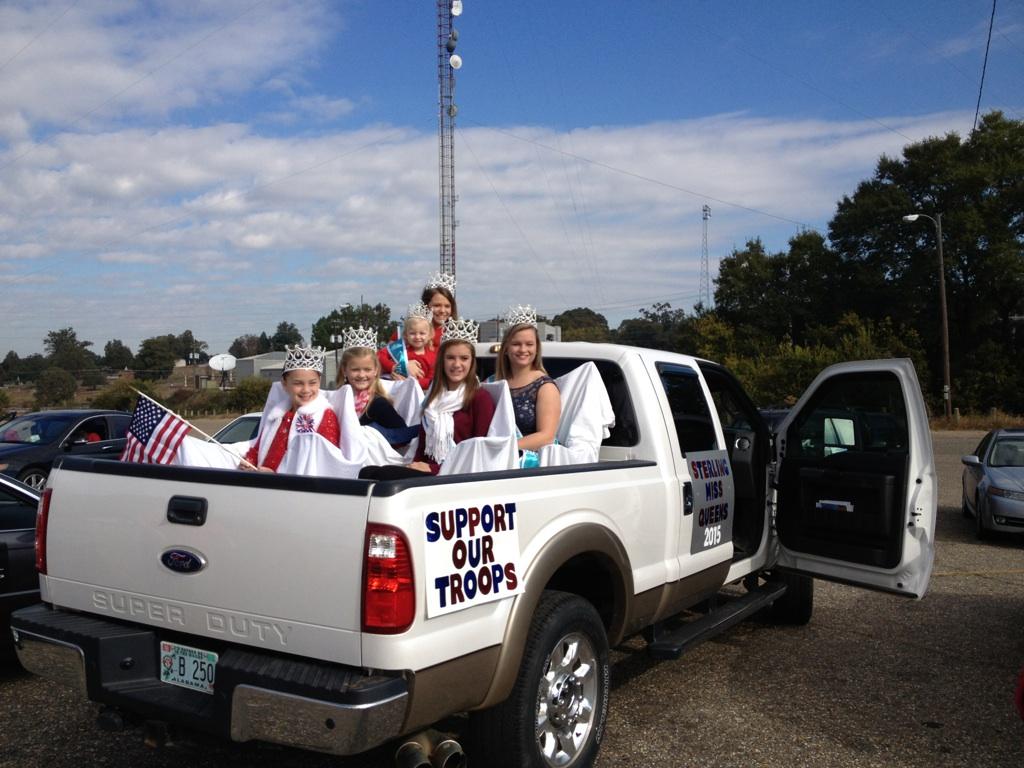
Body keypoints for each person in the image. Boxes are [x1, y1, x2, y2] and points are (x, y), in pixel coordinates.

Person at [361, 318, 494, 478]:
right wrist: (414, 465)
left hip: (456, 473)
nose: (457, 364)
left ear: (472, 362)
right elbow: (423, 446)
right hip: (429, 470)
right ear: (441, 360)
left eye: (464, 358)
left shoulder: (480, 398)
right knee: (367, 471)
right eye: (450, 358)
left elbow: (478, 451)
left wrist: (433, 469)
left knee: (382, 475)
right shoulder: (434, 396)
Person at [242, 345, 339, 472]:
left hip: (296, 483)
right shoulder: (276, 415)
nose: (306, 390)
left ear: (319, 382)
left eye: (312, 383)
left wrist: (276, 476)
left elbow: (326, 461)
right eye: (298, 383)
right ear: (284, 383)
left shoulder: (324, 416)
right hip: (263, 481)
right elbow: (259, 447)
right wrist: (250, 461)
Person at [494, 305, 561, 454]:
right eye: (516, 344)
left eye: (529, 344)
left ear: (537, 348)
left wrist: (501, 450)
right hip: (492, 461)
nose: (523, 350)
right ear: (505, 348)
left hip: (529, 463)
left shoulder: (545, 387)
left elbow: (546, 436)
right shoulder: (493, 382)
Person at [378, 303, 437, 390]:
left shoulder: (433, 357)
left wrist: (409, 382)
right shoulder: (398, 348)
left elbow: (431, 381)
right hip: (396, 391)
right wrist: (394, 367)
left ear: (430, 335)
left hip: (419, 394)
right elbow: (379, 355)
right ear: (406, 334)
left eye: (422, 333)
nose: (417, 337)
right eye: (412, 333)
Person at [420, 271, 458, 349]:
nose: (442, 311)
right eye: (437, 305)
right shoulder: (410, 333)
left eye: (447, 306)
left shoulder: (456, 335)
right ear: (425, 306)